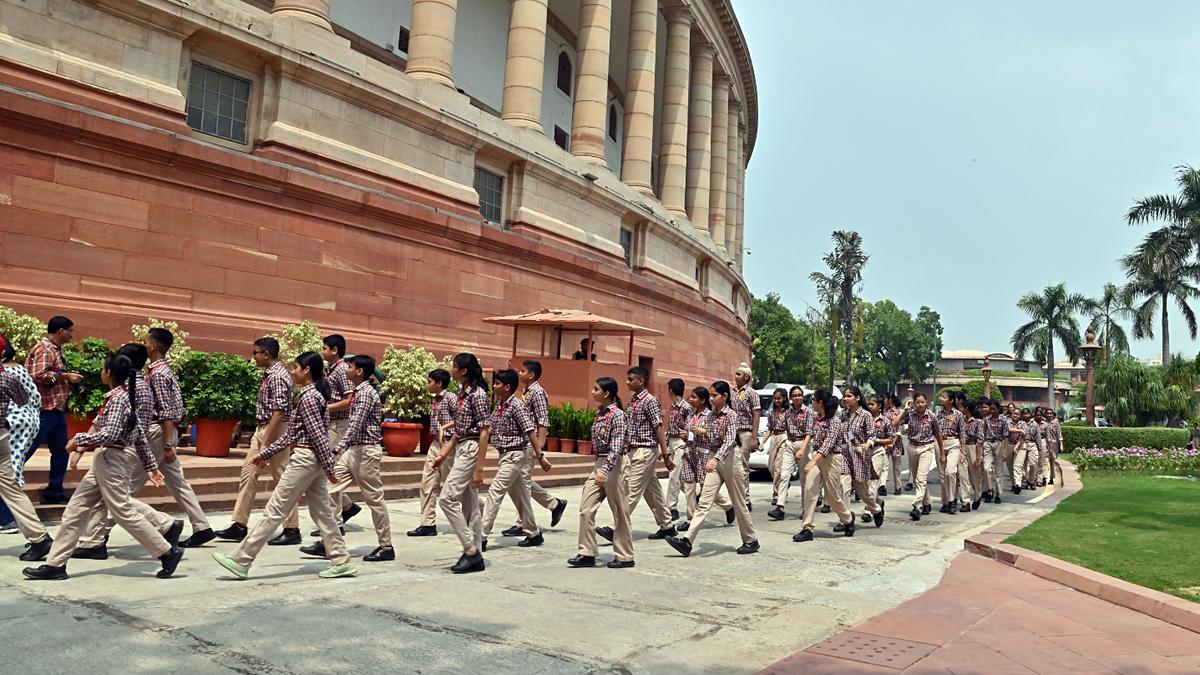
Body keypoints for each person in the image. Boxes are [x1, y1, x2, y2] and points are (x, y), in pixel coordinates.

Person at [23, 354, 184, 580]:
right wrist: (150, 466)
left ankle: (167, 552)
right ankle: (55, 564)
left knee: (123, 509)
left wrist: (79, 440)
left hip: (111, 458)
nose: (101, 372)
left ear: (109, 373)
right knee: (76, 509)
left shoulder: (120, 399)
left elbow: (112, 434)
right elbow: (138, 436)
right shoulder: (129, 396)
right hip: (108, 459)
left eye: (103, 369)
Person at [212, 352, 357, 579]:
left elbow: (318, 437)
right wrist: (265, 453)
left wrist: (329, 468)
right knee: (322, 513)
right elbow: (292, 432)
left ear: (307, 370)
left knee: (276, 509)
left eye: (296, 367)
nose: (292, 371)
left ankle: (241, 559)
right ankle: (341, 560)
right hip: (310, 458)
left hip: (306, 459)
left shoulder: (310, 398)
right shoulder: (311, 396)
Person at [75, 342, 211, 556]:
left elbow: (162, 413)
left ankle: (98, 538)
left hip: (151, 435)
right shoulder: (153, 375)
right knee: (176, 483)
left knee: (119, 492)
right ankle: (201, 526)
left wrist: (167, 444)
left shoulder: (146, 380)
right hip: (155, 435)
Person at [304, 354, 393, 562]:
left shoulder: (365, 393)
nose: (347, 370)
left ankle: (386, 546)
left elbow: (355, 425)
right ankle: (330, 542)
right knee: (329, 489)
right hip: (353, 451)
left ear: (359, 371)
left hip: (365, 452)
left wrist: (336, 450)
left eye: (350, 367)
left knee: (375, 499)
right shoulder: (358, 392)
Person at [215, 338, 300, 545]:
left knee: (282, 479)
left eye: (255, 353)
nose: (253, 356)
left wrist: (265, 443)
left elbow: (279, 412)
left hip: (275, 430)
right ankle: (239, 524)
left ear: (266, 354)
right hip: (264, 428)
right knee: (248, 474)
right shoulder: (271, 374)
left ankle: (292, 528)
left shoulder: (278, 376)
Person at [664, 380, 758, 557]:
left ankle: (751, 540)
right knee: (704, 503)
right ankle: (687, 542)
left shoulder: (732, 415)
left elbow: (730, 440)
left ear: (725, 396)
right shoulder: (709, 416)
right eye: (711, 395)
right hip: (712, 458)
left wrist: (715, 458)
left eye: (715, 395)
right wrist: (691, 436)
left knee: (739, 502)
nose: (712, 399)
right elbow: (701, 432)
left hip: (730, 460)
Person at [596, 366, 676, 543]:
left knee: (629, 490)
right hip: (634, 451)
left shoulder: (650, 401)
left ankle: (614, 526)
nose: (627, 382)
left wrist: (666, 453)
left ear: (640, 381)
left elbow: (658, 427)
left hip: (645, 451)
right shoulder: (633, 401)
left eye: (631, 379)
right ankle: (667, 525)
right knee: (652, 491)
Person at [432, 353, 490, 574]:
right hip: (462, 447)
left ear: (464, 371)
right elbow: (459, 431)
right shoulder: (463, 394)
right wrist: (443, 455)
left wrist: (479, 468)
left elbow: (484, 432)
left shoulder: (478, 395)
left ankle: (470, 549)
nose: (452, 370)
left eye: (454, 367)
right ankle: (476, 555)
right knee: (471, 505)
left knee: (447, 498)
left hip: (472, 449)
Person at [568, 377, 634, 568]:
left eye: (596, 389)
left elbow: (617, 446)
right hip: (601, 464)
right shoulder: (600, 413)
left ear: (606, 394)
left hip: (615, 465)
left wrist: (605, 469)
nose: (592, 392)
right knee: (586, 508)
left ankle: (625, 556)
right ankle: (587, 552)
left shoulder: (618, 415)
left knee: (620, 512)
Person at [0, 334, 52, 560]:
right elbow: (22, 400)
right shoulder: (9, 378)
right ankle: (39, 538)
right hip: (2, 434)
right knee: (11, 489)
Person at [479, 369, 543, 551]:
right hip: (504, 454)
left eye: (497, 383)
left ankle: (481, 536)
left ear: (507, 387)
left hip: (515, 455)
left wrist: (540, 455)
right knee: (520, 496)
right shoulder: (500, 405)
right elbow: (489, 428)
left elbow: (530, 429)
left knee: (495, 492)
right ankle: (534, 533)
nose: (493, 386)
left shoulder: (517, 405)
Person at [501, 360, 566, 538]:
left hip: (530, 443)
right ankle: (554, 504)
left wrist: (540, 447)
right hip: (523, 441)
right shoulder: (526, 391)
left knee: (522, 482)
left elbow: (542, 419)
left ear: (531, 375)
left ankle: (522, 522)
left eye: (522, 371)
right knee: (521, 481)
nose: (519, 373)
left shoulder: (537, 393)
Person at [25, 316, 83, 504]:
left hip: (55, 409)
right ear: (60, 331)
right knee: (26, 450)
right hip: (43, 409)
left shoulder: (55, 350)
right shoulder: (45, 349)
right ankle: (6, 487)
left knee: (61, 450)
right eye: (70, 331)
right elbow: (37, 374)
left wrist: (65, 377)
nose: (72, 335)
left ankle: (54, 492)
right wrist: (65, 376)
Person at [792, 387, 856, 542]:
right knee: (809, 490)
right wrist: (803, 449)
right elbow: (810, 432)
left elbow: (828, 445)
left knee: (832, 496)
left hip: (831, 459)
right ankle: (807, 528)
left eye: (814, 400)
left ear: (820, 402)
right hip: (816, 456)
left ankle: (847, 519)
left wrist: (812, 461)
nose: (812, 403)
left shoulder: (835, 421)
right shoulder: (814, 416)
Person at [677, 386, 735, 531]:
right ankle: (691, 519)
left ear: (702, 400)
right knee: (689, 485)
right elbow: (689, 432)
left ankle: (727, 505)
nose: (690, 399)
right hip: (690, 452)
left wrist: (704, 432)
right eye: (690, 397)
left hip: (704, 454)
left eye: (694, 397)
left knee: (706, 488)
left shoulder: (711, 415)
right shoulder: (691, 415)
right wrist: (686, 435)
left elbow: (717, 436)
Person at [408, 369, 456, 537]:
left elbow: (462, 419)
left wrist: (445, 428)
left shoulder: (451, 398)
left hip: (450, 445)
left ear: (439, 383)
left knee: (455, 485)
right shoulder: (435, 399)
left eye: (429, 381)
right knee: (428, 482)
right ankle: (428, 524)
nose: (427, 384)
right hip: (436, 444)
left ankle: (478, 511)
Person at [0, 335, 41, 535]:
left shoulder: (7, 373)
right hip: (13, 428)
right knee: (11, 481)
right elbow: (24, 399)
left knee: (10, 480)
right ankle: (37, 537)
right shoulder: (12, 373)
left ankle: (7, 520)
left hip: (10, 426)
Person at [321, 334, 360, 530]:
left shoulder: (342, 370)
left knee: (331, 474)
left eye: (325, 348)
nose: (323, 351)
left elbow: (350, 399)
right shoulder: (332, 370)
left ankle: (335, 524)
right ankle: (346, 507)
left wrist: (325, 408)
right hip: (332, 425)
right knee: (327, 472)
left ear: (334, 350)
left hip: (338, 426)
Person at [838, 386, 885, 528]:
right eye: (845, 396)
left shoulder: (865, 415)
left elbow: (872, 434)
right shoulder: (842, 415)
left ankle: (876, 509)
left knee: (863, 492)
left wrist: (868, 443)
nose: (846, 399)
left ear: (857, 398)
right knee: (843, 487)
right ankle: (845, 519)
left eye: (849, 396)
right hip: (845, 455)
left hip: (860, 456)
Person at [895, 393, 944, 521]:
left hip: (926, 448)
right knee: (917, 477)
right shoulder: (910, 415)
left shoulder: (932, 417)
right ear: (914, 403)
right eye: (918, 402)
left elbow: (938, 435)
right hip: (912, 447)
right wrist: (905, 409)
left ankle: (917, 506)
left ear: (926, 402)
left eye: (922, 402)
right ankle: (927, 503)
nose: (920, 405)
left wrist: (942, 453)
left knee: (921, 478)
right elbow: (895, 423)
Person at [771, 386, 810, 521]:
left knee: (804, 478)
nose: (797, 397)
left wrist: (803, 449)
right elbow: (785, 428)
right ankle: (780, 506)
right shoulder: (788, 413)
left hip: (803, 444)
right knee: (784, 474)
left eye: (799, 395)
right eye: (794, 395)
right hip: (790, 443)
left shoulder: (808, 412)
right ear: (791, 398)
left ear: (803, 396)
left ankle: (806, 508)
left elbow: (809, 433)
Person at [730, 363, 760, 512]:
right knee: (733, 466)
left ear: (746, 377)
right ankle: (737, 497)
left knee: (743, 466)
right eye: (735, 374)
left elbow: (756, 414)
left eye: (739, 374)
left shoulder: (752, 393)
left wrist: (754, 437)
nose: (736, 377)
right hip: (732, 433)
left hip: (745, 433)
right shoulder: (731, 392)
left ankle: (745, 499)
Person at [664, 378, 691, 523]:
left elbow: (692, 426)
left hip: (682, 443)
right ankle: (697, 496)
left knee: (674, 475)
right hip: (672, 442)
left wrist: (688, 437)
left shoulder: (686, 407)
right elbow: (669, 427)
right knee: (681, 480)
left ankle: (672, 508)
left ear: (671, 391)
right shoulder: (673, 407)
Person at [866, 394, 896, 508]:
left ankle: (868, 510)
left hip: (878, 451)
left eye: (872, 404)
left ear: (879, 406)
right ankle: (878, 501)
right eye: (868, 404)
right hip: (864, 451)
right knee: (864, 483)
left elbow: (890, 439)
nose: (869, 406)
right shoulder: (864, 418)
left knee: (873, 480)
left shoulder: (886, 421)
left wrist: (876, 441)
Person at [762, 388, 789, 513]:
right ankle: (781, 485)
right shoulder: (772, 412)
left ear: (784, 398)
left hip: (784, 437)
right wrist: (763, 442)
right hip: (774, 437)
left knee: (778, 467)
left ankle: (776, 494)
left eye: (779, 398)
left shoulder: (788, 412)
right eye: (775, 398)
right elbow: (769, 428)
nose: (777, 400)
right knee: (771, 466)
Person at [981, 399, 1009, 504]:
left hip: (999, 444)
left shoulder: (1004, 420)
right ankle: (989, 490)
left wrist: (1005, 451)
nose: (992, 411)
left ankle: (998, 493)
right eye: (991, 409)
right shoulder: (986, 420)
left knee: (998, 471)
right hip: (987, 444)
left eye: (994, 409)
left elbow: (1006, 436)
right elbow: (982, 434)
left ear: (998, 409)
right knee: (987, 469)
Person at [884, 394, 905, 495]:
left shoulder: (899, 412)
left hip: (896, 442)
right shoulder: (884, 412)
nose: (884, 400)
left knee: (897, 466)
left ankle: (898, 487)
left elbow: (899, 428)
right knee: (884, 465)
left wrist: (894, 441)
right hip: (886, 441)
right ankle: (882, 485)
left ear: (890, 400)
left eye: (886, 398)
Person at [1045, 409, 1062, 485]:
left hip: (1053, 444)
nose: (1049, 415)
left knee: (1052, 462)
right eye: (1047, 413)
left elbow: (1059, 433)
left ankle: (1052, 478)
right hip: (1044, 443)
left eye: (1050, 413)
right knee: (1044, 461)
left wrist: (1061, 444)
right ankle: (1043, 477)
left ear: (1052, 414)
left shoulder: (1056, 423)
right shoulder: (1043, 423)